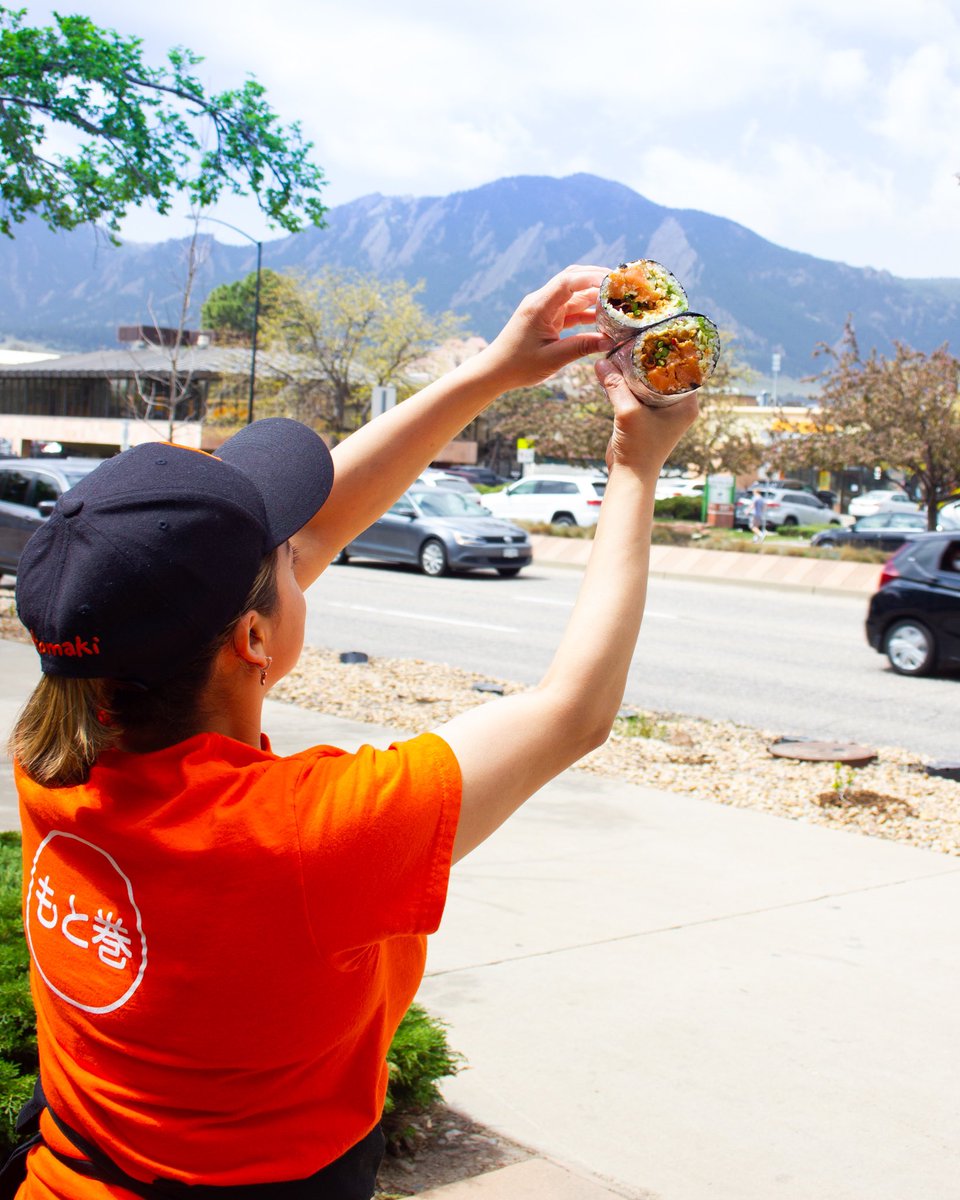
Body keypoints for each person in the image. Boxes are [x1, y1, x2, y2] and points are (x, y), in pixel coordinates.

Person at [6, 266, 698, 1200]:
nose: (311, 545)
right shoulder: (309, 832)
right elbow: (573, 712)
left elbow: (314, 528)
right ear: (252, 639)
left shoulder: (57, 757)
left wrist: (490, 371)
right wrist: (636, 466)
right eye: (288, 557)